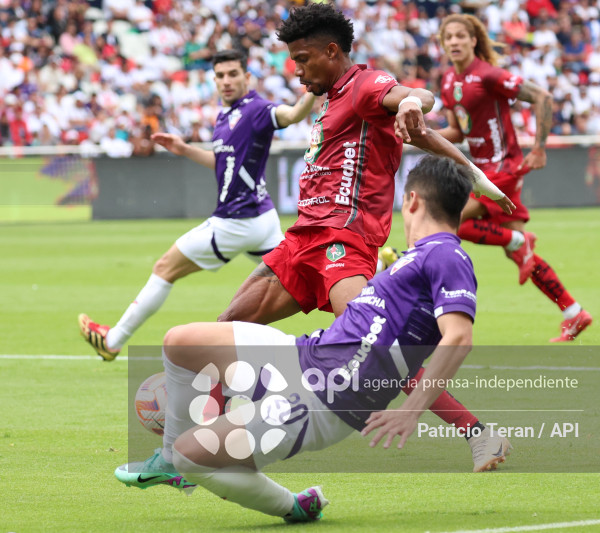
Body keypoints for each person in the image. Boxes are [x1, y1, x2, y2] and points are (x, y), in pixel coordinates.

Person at [115, 155, 512, 522]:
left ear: (410, 201)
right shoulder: (414, 256)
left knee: (193, 459)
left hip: (323, 400)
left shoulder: (446, 254)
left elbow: (458, 338)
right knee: (180, 341)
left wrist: (411, 409)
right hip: (303, 352)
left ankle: (295, 506)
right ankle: (168, 458)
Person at [211, 3, 514, 466]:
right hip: (299, 242)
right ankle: (196, 445)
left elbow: (417, 98)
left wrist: (414, 101)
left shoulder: (365, 86)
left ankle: (479, 434)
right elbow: (424, 137)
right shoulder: (334, 98)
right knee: (226, 328)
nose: (297, 72)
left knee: (375, 350)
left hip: (343, 243)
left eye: (303, 59)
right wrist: (473, 172)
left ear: (332, 51)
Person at [78, 49, 317, 360]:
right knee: (305, 270)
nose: (226, 81)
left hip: (235, 222)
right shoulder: (225, 116)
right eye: (220, 75)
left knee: (165, 267)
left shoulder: (256, 108)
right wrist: (185, 149)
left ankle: (112, 341)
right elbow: (223, 162)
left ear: (247, 77)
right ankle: (380, 269)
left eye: (233, 74)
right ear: (214, 80)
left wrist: (313, 87)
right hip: (262, 218)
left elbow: (293, 115)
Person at [437, 14, 592, 342]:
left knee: (453, 221)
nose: (453, 42)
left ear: (473, 40)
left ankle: (518, 241)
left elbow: (543, 98)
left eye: (460, 36)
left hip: (504, 166)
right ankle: (573, 312)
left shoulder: (489, 75)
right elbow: (456, 130)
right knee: (520, 257)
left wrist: (539, 148)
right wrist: (415, 134)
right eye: (448, 37)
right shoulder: (449, 81)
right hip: (481, 171)